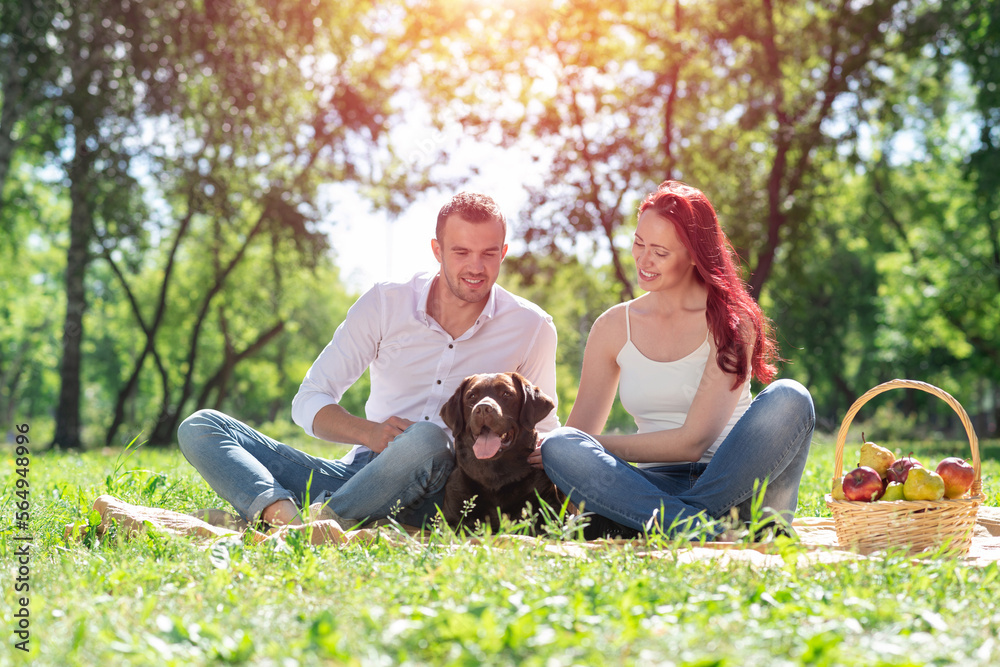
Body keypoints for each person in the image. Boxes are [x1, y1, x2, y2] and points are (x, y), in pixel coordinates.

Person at [178, 192, 559, 530]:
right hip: (358, 473)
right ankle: (293, 521)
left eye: (489, 253)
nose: (476, 267)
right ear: (437, 250)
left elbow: (544, 428)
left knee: (426, 438)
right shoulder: (385, 303)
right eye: (461, 252)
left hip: (441, 489)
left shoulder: (531, 326)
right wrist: (370, 434)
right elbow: (309, 400)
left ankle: (306, 523)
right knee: (200, 426)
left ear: (503, 253)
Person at [534, 180, 814, 539]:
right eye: (638, 244)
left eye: (660, 252)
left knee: (791, 396)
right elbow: (577, 437)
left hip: (734, 483)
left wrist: (598, 444)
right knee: (561, 445)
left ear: (694, 255)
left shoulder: (732, 322)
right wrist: (557, 450)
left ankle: (670, 524)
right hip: (650, 488)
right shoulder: (613, 327)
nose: (643, 260)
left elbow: (693, 441)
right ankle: (710, 530)